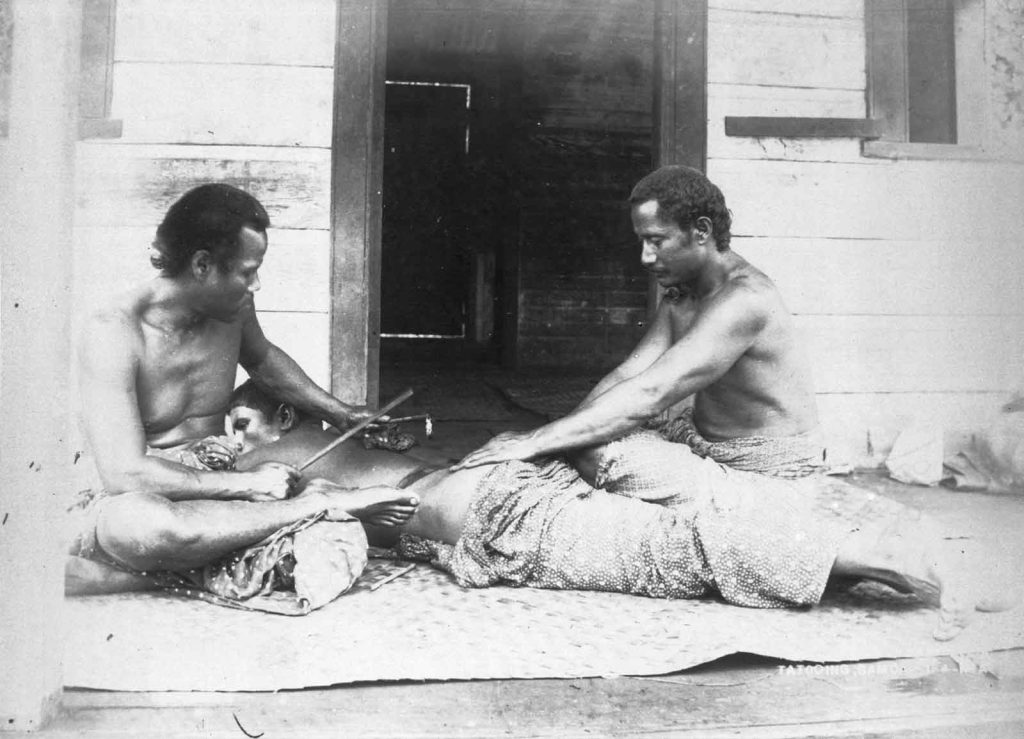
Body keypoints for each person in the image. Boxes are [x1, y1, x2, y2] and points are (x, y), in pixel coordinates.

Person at [227, 383, 1017, 641]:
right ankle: (864, 555)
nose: (229, 444)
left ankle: (907, 559)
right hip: (494, 496)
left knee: (675, 545)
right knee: (674, 530)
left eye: (240, 425)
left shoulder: (289, 470)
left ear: (285, 419)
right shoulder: (295, 462)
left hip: (495, 507)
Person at [66, 183, 419, 596]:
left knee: (330, 479)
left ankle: (165, 567)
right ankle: (312, 507)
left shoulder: (232, 308)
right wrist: (248, 487)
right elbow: (125, 473)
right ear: (202, 264)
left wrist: (339, 413)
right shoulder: (112, 332)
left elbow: (262, 360)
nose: (256, 285)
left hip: (220, 482)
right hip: (149, 490)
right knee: (140, 527)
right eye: (247, 272)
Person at [454, 166, 825, 489]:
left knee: (592, 451)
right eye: (642, 241)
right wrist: (556, 437)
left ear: (701, 230)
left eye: (656, 241)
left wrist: (537, 441)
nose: (646, 257)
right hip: (702, 444)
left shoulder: (744, 299)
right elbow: (630, 374)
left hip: (766, 468)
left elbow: (652, 391)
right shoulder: (683, 295)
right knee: (579, 442)